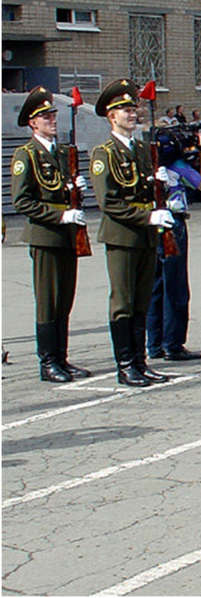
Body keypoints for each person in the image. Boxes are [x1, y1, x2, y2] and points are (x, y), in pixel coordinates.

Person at [90, 79, 175, 387]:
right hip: (122, 236)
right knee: (123, 302)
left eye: (133, 107)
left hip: (147, 234)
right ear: (111, 116)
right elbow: (109, 202)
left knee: (141, 300)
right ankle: (125, 364)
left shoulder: (141, 149)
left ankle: (140, 362)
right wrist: (148, 215)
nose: (133, 113)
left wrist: (160, 184)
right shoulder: (105, 154)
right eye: (125, 110)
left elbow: (145, 190)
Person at [10, 87, 92, 382]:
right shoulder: (27, 155)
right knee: (48, 300)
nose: (52, 120)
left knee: (64, 300)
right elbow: (22, 201)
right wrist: (60, 215)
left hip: (68, 236)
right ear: (32, 123)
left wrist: (76, 189)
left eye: (53, 114)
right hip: (45, 235)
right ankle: (48, 362)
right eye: (45, 116)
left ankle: (62, 358)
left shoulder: (60, 152)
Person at [145, 125, 201, 361]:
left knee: (155, 286)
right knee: (176, 287)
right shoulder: (178, 166)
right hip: (174, 224)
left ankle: (154, 343)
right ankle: (172, 343)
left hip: (152, 223)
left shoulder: (148, 167)